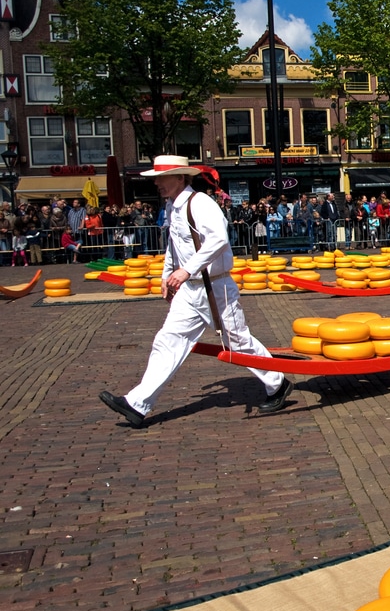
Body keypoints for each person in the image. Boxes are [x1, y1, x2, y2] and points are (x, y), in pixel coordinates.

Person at [99, 155, 292, 429]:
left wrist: (186, 270)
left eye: (162, 178)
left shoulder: (200, 203)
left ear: (180, 177)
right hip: (190, 291)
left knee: (237, 341)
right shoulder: (171, 207)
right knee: (168, 340)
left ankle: (278, 383)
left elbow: (218, 239)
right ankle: (137, 404)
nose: (157, 184)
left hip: (216, 286)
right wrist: (169, 274)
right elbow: (174, 244)